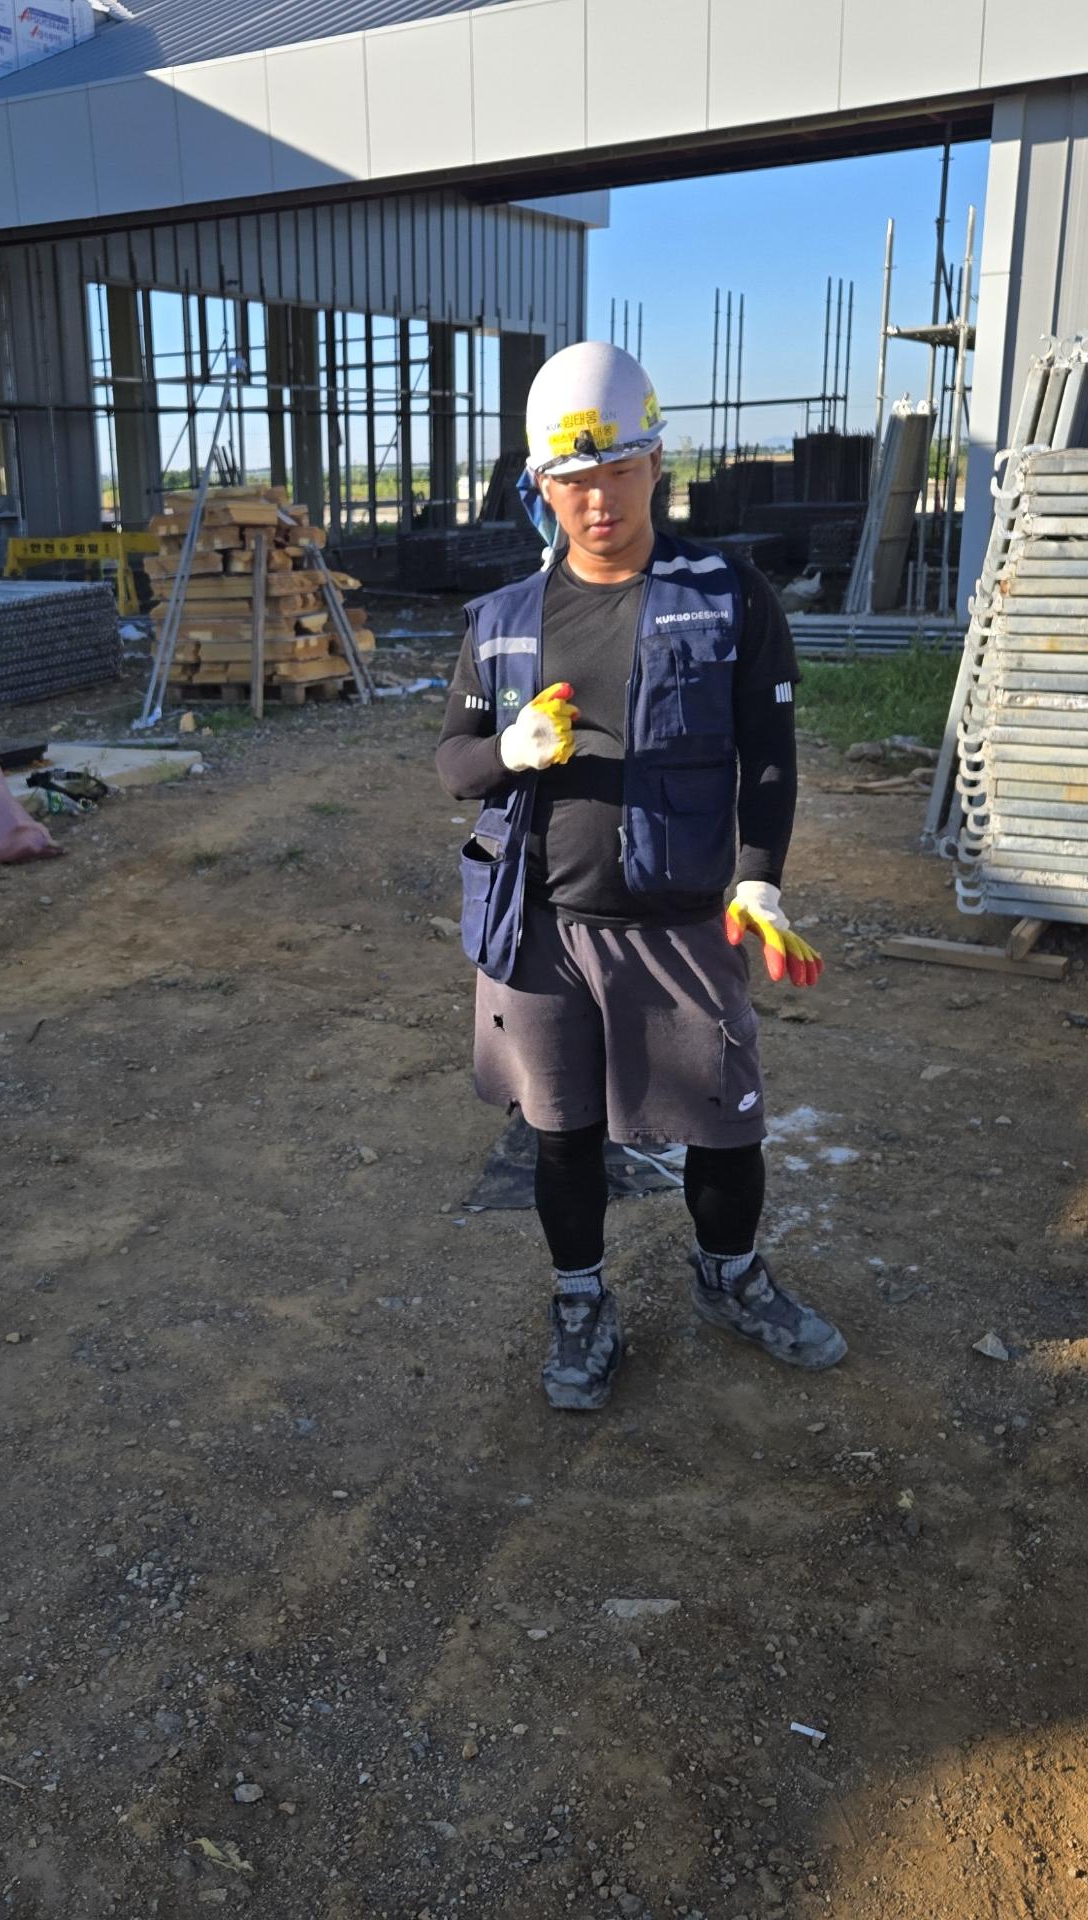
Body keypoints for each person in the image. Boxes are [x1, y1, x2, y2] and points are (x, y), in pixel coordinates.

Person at [438, 340, 844, 1412]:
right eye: (575, 479)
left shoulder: (727, 595)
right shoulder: (500, 621)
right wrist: (507, 751)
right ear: (541, 485)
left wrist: (758, 879)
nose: (599, 499)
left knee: (724, 1123)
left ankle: (730, 1277)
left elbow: (768, 756)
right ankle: (579, 1299)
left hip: (679, 921)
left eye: (620, 470)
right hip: (538, 928)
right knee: (561, 1133)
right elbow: (453, 763)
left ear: (657, 463)